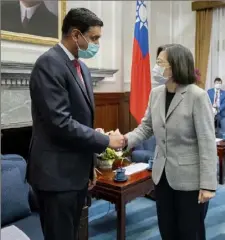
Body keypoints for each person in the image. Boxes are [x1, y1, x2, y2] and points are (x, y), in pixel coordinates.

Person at [27, 8, 125, 240]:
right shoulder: (48, 64)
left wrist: (89, 163)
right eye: (94, 38)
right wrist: (104, 140)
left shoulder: (83, 69)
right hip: (55, 177)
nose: (96, 44)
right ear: (75, 35)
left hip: (76, 172)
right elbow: (59, 123)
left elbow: (79, 119)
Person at [124, 44, 217, 240]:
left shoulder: (197, 96)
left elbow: (207, 143)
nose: (155, 67)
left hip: (190, 181)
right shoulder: (156, 93)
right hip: (162, 177)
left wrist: (208, 185)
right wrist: (125, 140)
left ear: (176, 66)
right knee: (167, 230)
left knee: (190, 232)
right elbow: (146, 127)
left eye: (160, 63)